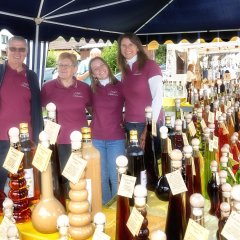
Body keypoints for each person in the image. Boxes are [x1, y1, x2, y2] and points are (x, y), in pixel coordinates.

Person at [41, 52, 91, 195]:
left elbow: (93, 111)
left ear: (75, 68)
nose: (62, 68)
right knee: (62, 177)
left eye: (66, 65)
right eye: (60, 65)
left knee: (80, 176)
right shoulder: (47, 87)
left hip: (81, 141)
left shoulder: (84, 88)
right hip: (58, 141)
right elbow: (39, 110)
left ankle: (79, 207)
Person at [0, 36, 43, 192]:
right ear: (6, 50)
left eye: (21, 49)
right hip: (2, 140)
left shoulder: (31, 76)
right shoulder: (0, 72)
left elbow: (37, 109)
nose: (17, 53)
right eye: (13, 48)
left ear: (27, 52)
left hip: (26, 141)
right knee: (2, 182)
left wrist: (38, 138)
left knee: (25, 184)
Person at [117, 33, 164, 150]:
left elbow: (158, 98)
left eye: (130, 44)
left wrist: (148, 128)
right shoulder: (125, 69)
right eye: (123, 45)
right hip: (129, 125)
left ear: (137, 47)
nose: (127, 48)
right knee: (134, 165)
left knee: (149, 165)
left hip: (146, 124)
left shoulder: (150, 66)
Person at [88, 56, 125, 204]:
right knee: (101, 178)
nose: (100, 69)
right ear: (93, 74)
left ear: (107, 66)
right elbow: (89, 107)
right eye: (95, 68)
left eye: (101, 65)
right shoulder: (91, 90)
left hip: (116, 139)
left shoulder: (121, 86)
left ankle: (120, 210)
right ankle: (106, 208)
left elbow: (132, 105)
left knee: (116, 176)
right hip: (96, 139)